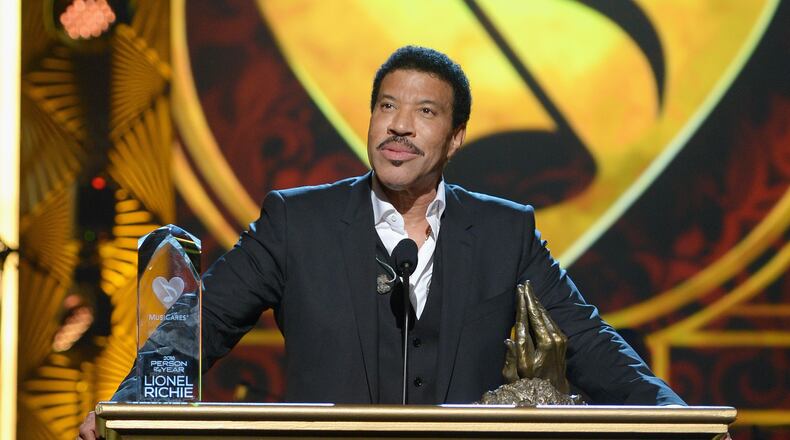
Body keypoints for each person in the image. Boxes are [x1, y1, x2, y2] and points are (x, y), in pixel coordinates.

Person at [79, 45, 683, 439]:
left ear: (455, 138)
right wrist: (127, 407)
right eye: (387, 106)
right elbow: (200, 326)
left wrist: (677, 418)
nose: (399, 125)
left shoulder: (505, 231)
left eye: (425, 112)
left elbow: (588, 343)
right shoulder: (296, 222)